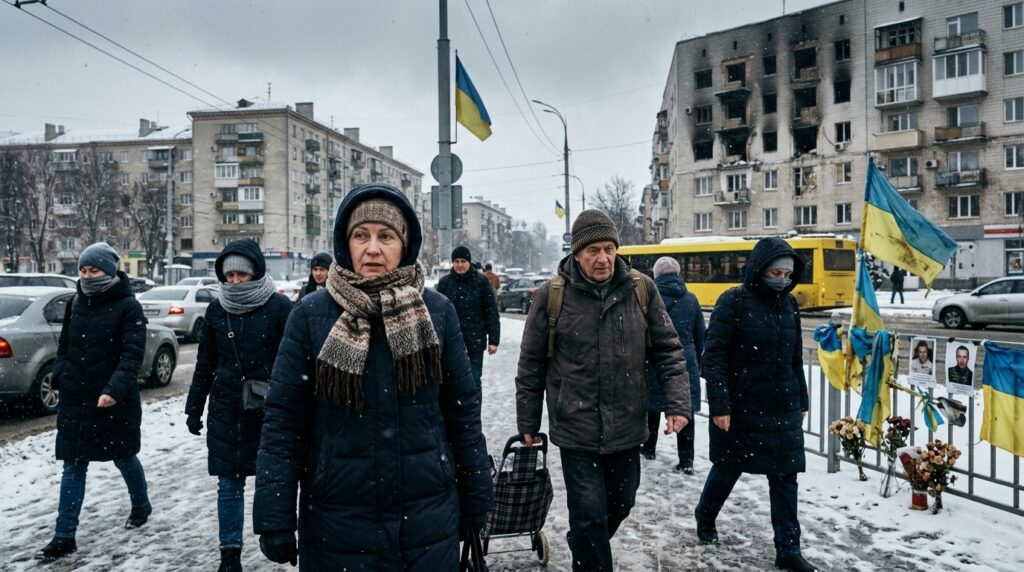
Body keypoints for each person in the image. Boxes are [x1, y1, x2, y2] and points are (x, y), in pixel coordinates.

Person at [252, 184, 494, 570]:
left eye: (386, 236)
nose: (373, 248)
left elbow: (462, 414)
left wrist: (477, 496)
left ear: (405, 244)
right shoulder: (311, 316)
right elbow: (283, 421)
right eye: (360, 236)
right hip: (338, 520)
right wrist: (274, 514)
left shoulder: (438, 312)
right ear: (345, 244)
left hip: (426, 517)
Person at [516, 209, 691, 572]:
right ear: (577, 254)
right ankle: (589, 548)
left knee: (622, 503)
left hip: (627, 424)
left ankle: (583, 541)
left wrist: (678, 404)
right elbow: (531, 364)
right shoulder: (553, 295)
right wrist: (528, 421)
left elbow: (669, 350)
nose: (603, 258)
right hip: (576, 426)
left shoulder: (640, 289)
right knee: (589, 515)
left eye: (609, 248)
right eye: (593, 250)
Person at [695, 237, 818, 572]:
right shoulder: (733, 301)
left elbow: (794, 359)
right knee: (727, 468)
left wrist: (802, 399)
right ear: (759, 269)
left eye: (786, 274)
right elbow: (714, 357)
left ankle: (788, 549)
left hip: (783, 407)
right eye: (774, 272)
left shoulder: (789, 304)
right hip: (741, 408)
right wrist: (720, 405)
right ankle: (705, 517)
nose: (780, 279)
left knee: (786, 477)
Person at [36, 242, 152, 562]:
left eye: (94, 270)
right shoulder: (77, 301)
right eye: (83, 270)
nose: (87, 276)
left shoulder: (129, 306)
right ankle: (64, 535)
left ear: (110, 272)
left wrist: (113, 389)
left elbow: (132, 356)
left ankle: (141, 505)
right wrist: (60, 374)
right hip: (77, 398)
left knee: (124, 457)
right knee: (73, 465)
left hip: (114, 400)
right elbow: (65, 346)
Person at [184, 239, 293, 572]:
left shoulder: (279, 308)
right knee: (229, 484)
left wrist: (287, 397)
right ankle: (229, 554)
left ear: (255, 273)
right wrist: (194, 406)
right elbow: (205, 362)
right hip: (226, 409)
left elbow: (293, 360)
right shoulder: (217, 310)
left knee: (271, 480)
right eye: (228, 275)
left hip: (270, 410)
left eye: (240, 276)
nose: (233, 281)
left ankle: (276, 537)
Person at [641, 256, 705, 475]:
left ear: (656, 275)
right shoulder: (691, 299)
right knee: (684, 410)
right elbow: (699, 335)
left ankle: (648, 448)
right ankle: (686, 460)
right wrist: (694, 358)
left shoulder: (649, 298)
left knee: (651, 407)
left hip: (653, 359)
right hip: (685, 360)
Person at [436, 245, 500, 388]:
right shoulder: (445, 283)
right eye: (456, 261)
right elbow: (437, 313)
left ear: (469, 262)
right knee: (449, 384)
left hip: (474, 343)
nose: (459, 265)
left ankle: (474, 410)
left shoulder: (481, 282)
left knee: (473, 382)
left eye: (463, 261)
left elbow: (491, 311)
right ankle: (453, 410)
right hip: (450, 343)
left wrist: (494, 340)